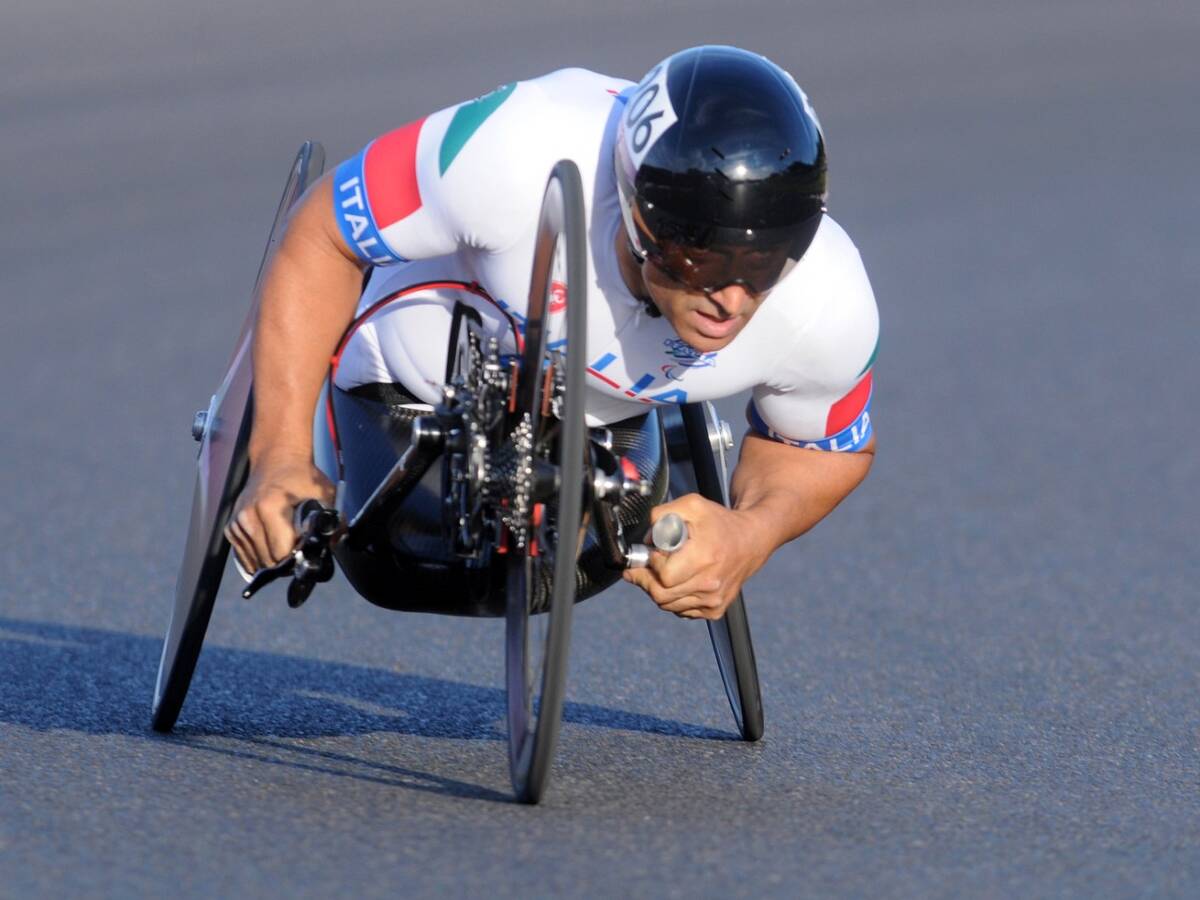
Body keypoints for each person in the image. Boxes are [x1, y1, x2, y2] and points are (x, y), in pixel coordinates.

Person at [226, 45, 879, 621]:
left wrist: (750, 534)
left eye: (765, 264)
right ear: (635, 213)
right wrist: (278, 456)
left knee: (582, 559)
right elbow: (323, 234)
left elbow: (827, 445)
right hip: (403, 381)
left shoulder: (827, 299)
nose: (730, 299)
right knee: (396, 554)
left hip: (604, 426)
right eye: (698, 258)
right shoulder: (516, 149)